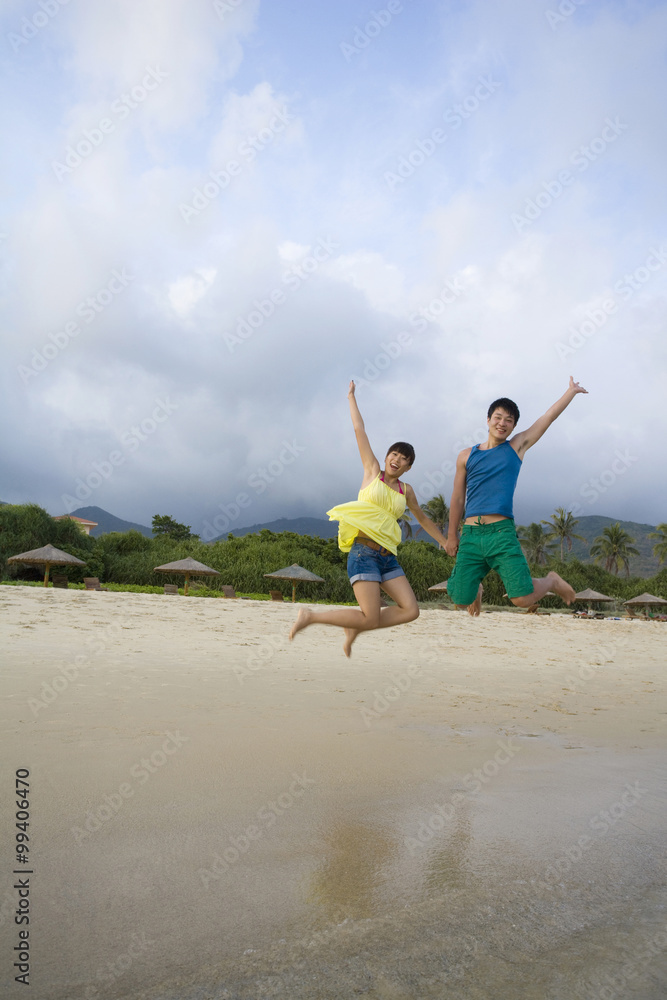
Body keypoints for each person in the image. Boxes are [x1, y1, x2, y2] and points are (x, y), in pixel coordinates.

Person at [289, 380, 449, 656]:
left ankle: (356, 627)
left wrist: (444, 541)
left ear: (408, 467)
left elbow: (422, 519)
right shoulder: (372, 471)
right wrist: (351, 396)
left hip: (388, 557)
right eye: (394, 454)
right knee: (371, 617)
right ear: (387, 456)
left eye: (404, 459)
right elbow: (358, 429)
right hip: (363, 552)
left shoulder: (406, 491)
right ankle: (311, 617)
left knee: (411, 610)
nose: (397, 460)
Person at [444, 376, 588, 615]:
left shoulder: (516, 447)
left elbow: (547, 418)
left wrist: (570, 393)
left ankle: (551, 580)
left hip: (501, 534)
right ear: (488, 419)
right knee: (460, 599)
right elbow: (458, 498)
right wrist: (451, 536)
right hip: (470, 535)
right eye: (498, 418)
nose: (502, 423)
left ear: (513, 426)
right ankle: (476, 590)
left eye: (509, 421)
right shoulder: (466, 455)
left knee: (522, 599)